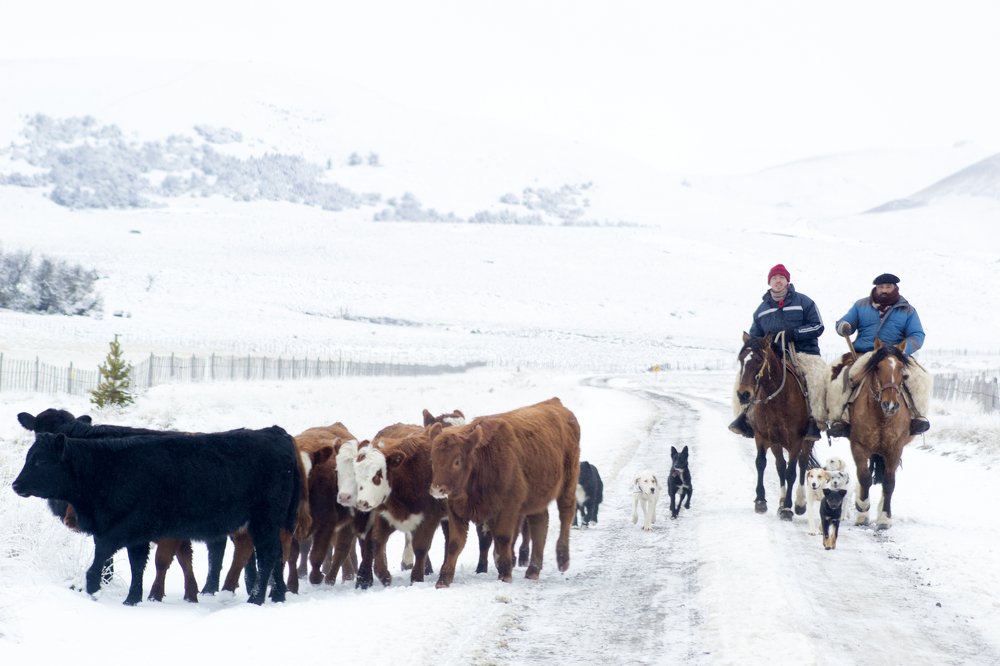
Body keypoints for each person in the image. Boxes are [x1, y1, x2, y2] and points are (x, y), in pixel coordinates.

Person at [729, 263, 827, 441]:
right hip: (772, 354)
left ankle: (815, 420)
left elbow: (818, 326)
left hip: (802, 352)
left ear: (787, 280)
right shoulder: (761, 309)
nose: (778, 281)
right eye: (774, 278)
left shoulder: (804, 302)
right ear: (769, 282)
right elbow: (755, 336)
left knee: (817, 378)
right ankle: (745, 417)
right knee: (745, 377)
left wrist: (794, 333)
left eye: (781, 277)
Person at [827, 273, 931, 437]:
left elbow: (917, 335)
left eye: (888, 287)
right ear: (876, 287)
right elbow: (845, 322)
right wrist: (844, 326)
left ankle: (918, 417)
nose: (884, 290)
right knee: (839, 377)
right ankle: (839, 419)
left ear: (895, 288)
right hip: (864, 354)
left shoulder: (908, 310)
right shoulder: (861, 305)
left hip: (895, 355)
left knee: (921, 378)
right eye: (881, 287)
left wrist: (902, 349)